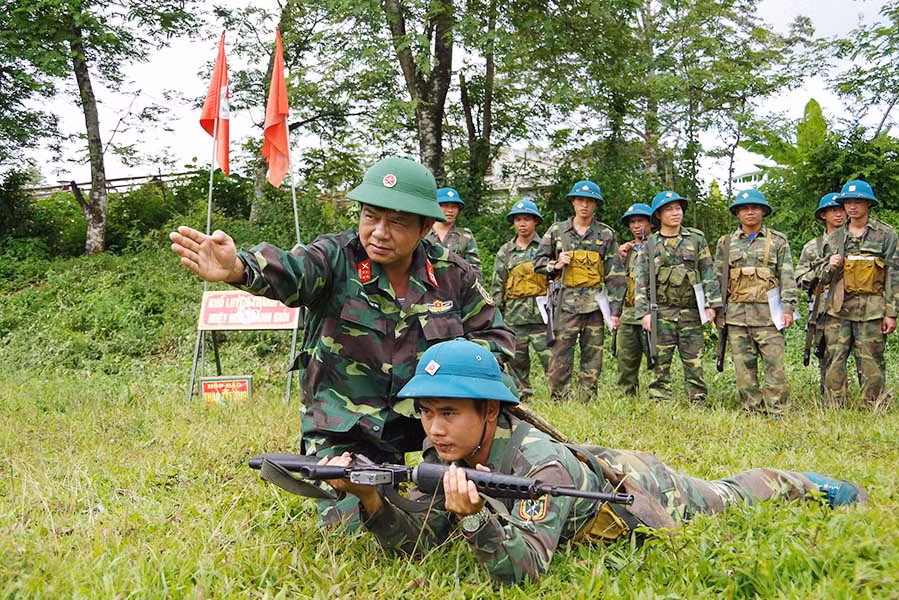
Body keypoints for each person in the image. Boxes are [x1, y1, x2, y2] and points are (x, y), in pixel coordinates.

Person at [321, 339, 866, 584]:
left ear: (491, 412)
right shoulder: (447, 452)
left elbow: (525, 571)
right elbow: (419, 541)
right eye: (427, 413)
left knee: (728, 494)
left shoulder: (541, 468)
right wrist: (369, 498)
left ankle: (813, 483)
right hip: (591, 469)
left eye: (449, 413)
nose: (434, 429)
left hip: (634, 484)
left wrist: (477, 520)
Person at [169, 157, 515, 526]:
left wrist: (453, 376)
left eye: (397, 221)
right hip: (349, 427)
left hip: (429, 422)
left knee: (445, 517)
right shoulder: (335, 258)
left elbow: (497, 340)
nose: (379, 232)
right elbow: (292, 270)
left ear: (426, 226)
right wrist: (239, 268)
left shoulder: (453, 274)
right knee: (359, 528)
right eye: (371, 216)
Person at [532, 180, 625, 401]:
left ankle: (587, 399)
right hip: (565, 304)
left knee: (593, 355)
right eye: (580, 200)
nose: (585, 205)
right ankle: (559, 399)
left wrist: (615, 311)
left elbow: (615, 275)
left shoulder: (606, 234)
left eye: (590, 201)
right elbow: (536, 263)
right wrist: (555, 264)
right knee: (561, 354)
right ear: (573, 202)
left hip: (595, 304)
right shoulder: (557, 231)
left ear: (596, 205)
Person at [714, 189, 797, 416]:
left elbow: (787, 276)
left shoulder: (778, 241)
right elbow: (718, 279)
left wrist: (788, 308)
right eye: (744, 208)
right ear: (738, 213)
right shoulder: (726, 243)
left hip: (769, 316)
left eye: (755, 208)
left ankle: (777, 408)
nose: (750, 212)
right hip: (737, 316)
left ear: (763, 211)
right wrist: (716, 310)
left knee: (775, 365)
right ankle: (752, 407)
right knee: (743, 367)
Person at [818, 180, 899, 410]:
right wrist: (829, 267)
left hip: (872, 309)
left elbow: (894, 275)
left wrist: (891, 313)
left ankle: (873, 405)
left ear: (868, 204)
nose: (852, 207)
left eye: (858, 202)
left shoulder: (886, 235)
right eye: (848, 202)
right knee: (834, 358)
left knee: (871, 359)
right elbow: (819, 276)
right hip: (838, 309)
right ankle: (834, 406)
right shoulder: (834, 238)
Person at [634, 191, 721, 404]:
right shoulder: (649, 244)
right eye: (669, 209)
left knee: (694, 362)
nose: (675, 213)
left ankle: (698, 400)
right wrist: (643, 313)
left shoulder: (696, 239)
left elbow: (708, 271)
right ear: (659, 215)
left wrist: (712, 305)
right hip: (661, 311)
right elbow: (641, 280)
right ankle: (659, 401)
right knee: (659, 362)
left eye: (678, 208)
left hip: (690, 311)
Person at [489, 200, 551, 400]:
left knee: (551, 357)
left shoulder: (546, 247)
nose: (522, 223)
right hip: (515, 315)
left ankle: (558, 394)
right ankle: (523, 394)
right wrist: (495, 315)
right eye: (518, 219)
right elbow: (498, 283)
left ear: (535, 222)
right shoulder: (505, 251)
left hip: (543, 315)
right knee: (517, 360)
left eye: (526, 219)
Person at [795, 193, 846, 396]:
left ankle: (870, 402)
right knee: (827, 355)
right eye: (832, 210)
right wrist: (824, 269)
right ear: (823, 214)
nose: (838, 213)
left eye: (840, 209)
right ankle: (831, 401)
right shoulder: (812, 247)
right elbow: (800, 278)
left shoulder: (855, 240)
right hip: (824, 308)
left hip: (854, 306)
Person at [616, 203, 653, 396]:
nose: (637, 226)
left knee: (656, 359)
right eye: (633, 222)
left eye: (641, 221)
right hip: (628, 314)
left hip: (650, 313)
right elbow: (615, 282)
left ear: (651, 223)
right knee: (626, 361)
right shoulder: (626, 250)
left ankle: (658, 397)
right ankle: (626, 398)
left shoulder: (658, 245)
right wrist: (620, 257)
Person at [426, 187, 483, 280]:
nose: (450, 210)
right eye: (445, 205)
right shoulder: (423, 233)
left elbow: (475, 270)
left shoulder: (465, 236)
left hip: (456, 290)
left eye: (454, 206)